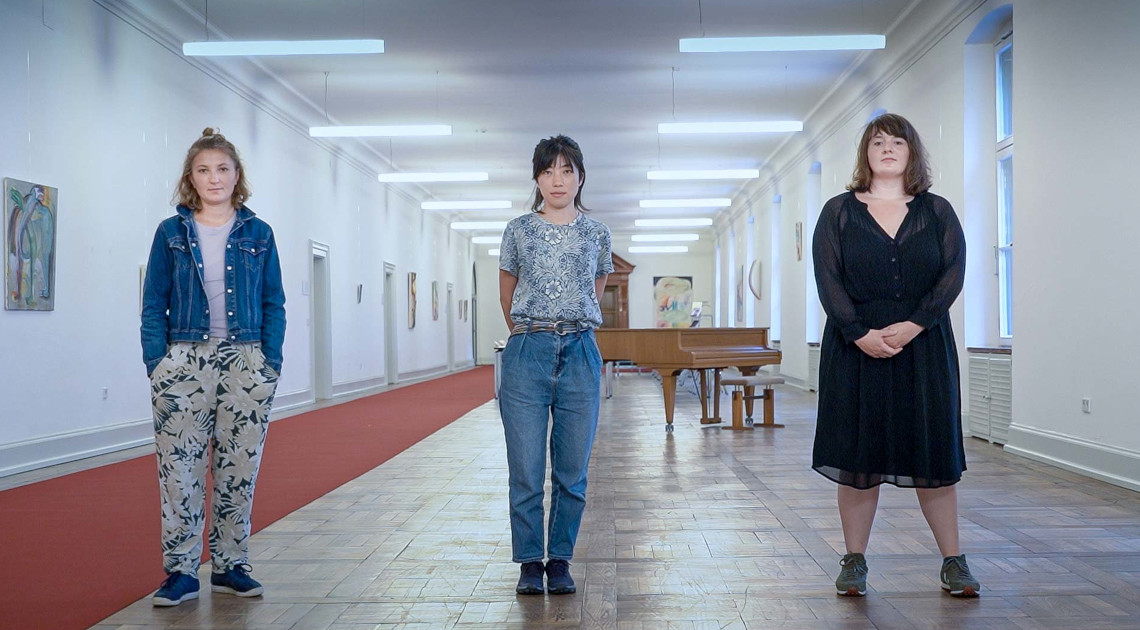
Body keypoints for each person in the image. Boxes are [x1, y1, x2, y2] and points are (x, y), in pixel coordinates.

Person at [812, 113, 980, 598]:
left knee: (932, 450)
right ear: (866, 153)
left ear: (912, 152)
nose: (887, 148)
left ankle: (953, 561)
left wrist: (914, 325)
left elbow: (953, 273)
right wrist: (857, 331)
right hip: (854, 349)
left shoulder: (938, 211)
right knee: (858, 455)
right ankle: (854, 560)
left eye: (897, 141)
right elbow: (829, 279)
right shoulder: (839, 211)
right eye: (878, 141)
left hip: (923, 347)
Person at [140, 128, 286, 606]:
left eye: (222, 168)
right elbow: (152, 303)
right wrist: (157, 364)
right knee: (179, 470)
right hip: (183, 361)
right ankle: (180, 572)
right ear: (191, 178)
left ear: (236, 175)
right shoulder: (170, 233)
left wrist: (269, 362)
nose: (214, 177)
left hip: (246, 360)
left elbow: (274, 303)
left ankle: (230, 564)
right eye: (204, 170)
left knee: (238, 467)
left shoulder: (258, 233)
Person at [497, 135, 613, 595]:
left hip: (581, 351)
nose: (557, 180)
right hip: (528, 351)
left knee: (572, 470)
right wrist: (529, 332)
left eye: (566, 170)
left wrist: (572, 320)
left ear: (581, 176)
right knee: (525, 467)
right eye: (548, 171)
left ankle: (559, 559)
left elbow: (598, 283)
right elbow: (507, 292)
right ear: (536, 178)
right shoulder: (518, 230)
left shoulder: (597, 232)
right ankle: (529, 561)